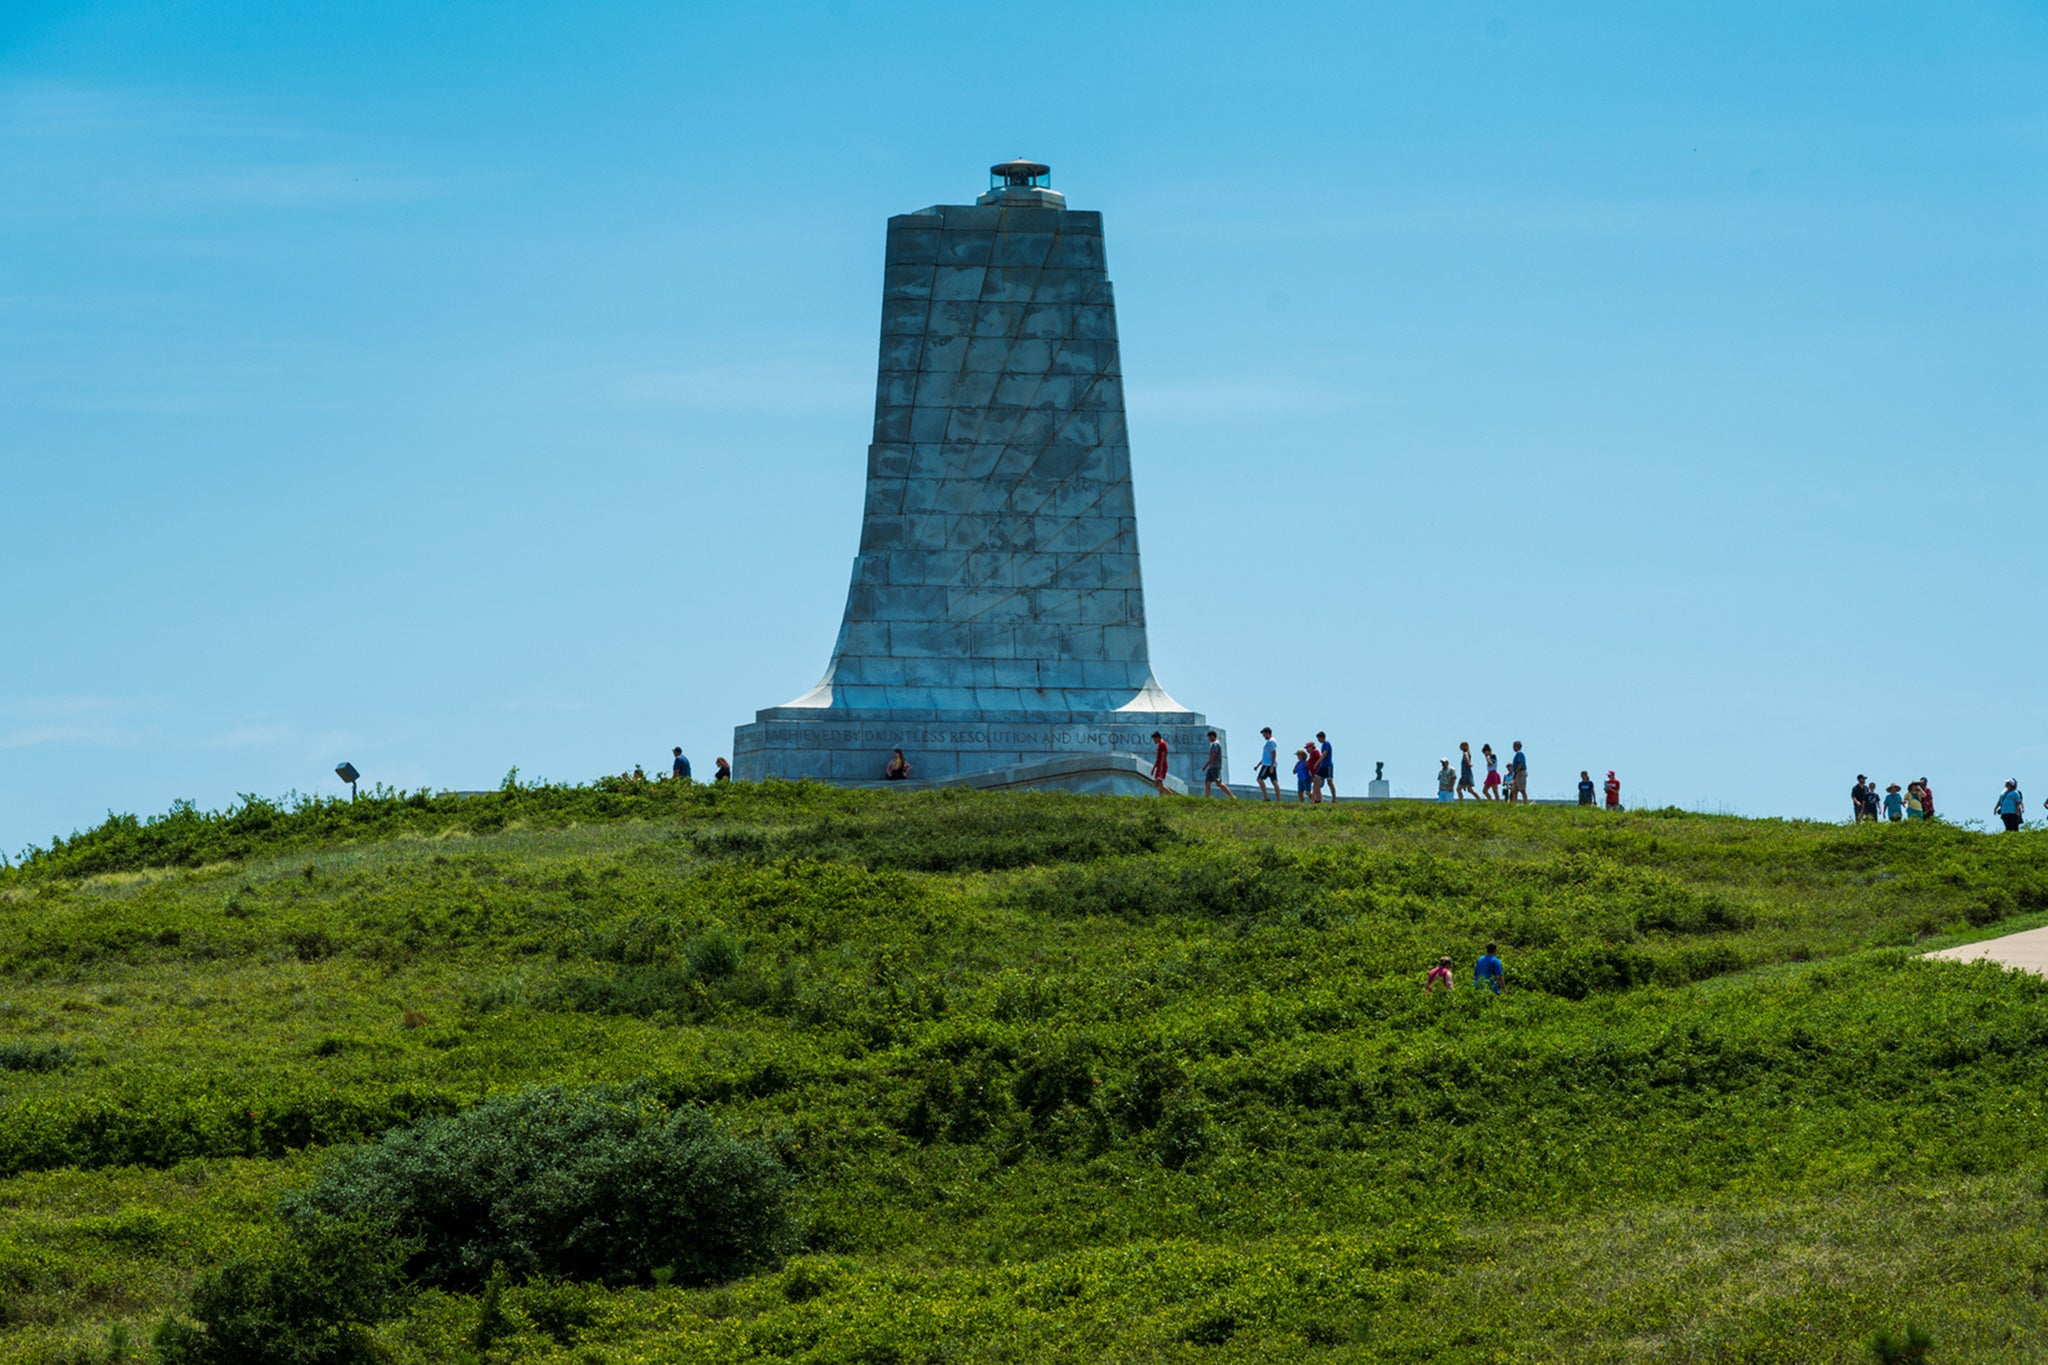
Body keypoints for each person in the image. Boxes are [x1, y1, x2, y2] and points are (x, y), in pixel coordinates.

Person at [1203, 730, 1235, 799]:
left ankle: (1232, 797)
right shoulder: (1213, 744)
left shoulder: (1215, 744)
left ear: (1213, 736)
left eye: (1209, 737)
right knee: (1207, 782)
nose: (1209, 739)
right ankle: (1207, 798)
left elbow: (1213, 756)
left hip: (1215, 767)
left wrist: (1205, 765)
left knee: (1218, 783)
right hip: (1211, 767)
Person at [1254, 727, 1280, 801]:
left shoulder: (1270, 742)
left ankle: (1266, 797)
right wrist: (1258, 765)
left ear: (1268, 733)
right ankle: (1279, 800)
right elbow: (1266, 756)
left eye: (1264, 734)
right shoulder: (1271, 742)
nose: (1263, 736)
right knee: (1274, 781)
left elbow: (1274, 753)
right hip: (1269, 764)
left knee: (1259, 779)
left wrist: (1271, 766)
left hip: (1268, 765)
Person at [1317, 732, 1336, 800]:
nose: (1318, 740)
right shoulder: (1323, 745)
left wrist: (1318, 762)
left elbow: (1325, 753)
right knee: (1317, 780)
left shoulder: (1326, 744)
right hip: (1322, 765)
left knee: (1329, 782)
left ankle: (1334, 798)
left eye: (1319, 738)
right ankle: (1318, 799)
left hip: (1327, 765)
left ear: (1322, 737)